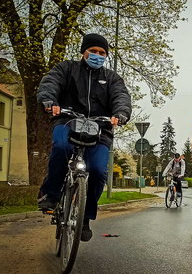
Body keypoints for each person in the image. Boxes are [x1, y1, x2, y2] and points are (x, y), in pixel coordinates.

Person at [36, 33, 132, 242]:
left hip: (100, 129)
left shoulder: (112, 78)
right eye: (94, 51)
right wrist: (49, 100)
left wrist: (120, 114)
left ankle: (85, 216)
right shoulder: (67, 69)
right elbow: (50, 83)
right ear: (84, 51)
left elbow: (121, 96)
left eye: (102, 53)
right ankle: (50, 194)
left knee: (98, 171)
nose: (98, 55)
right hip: (67, 122)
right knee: (61, 148)